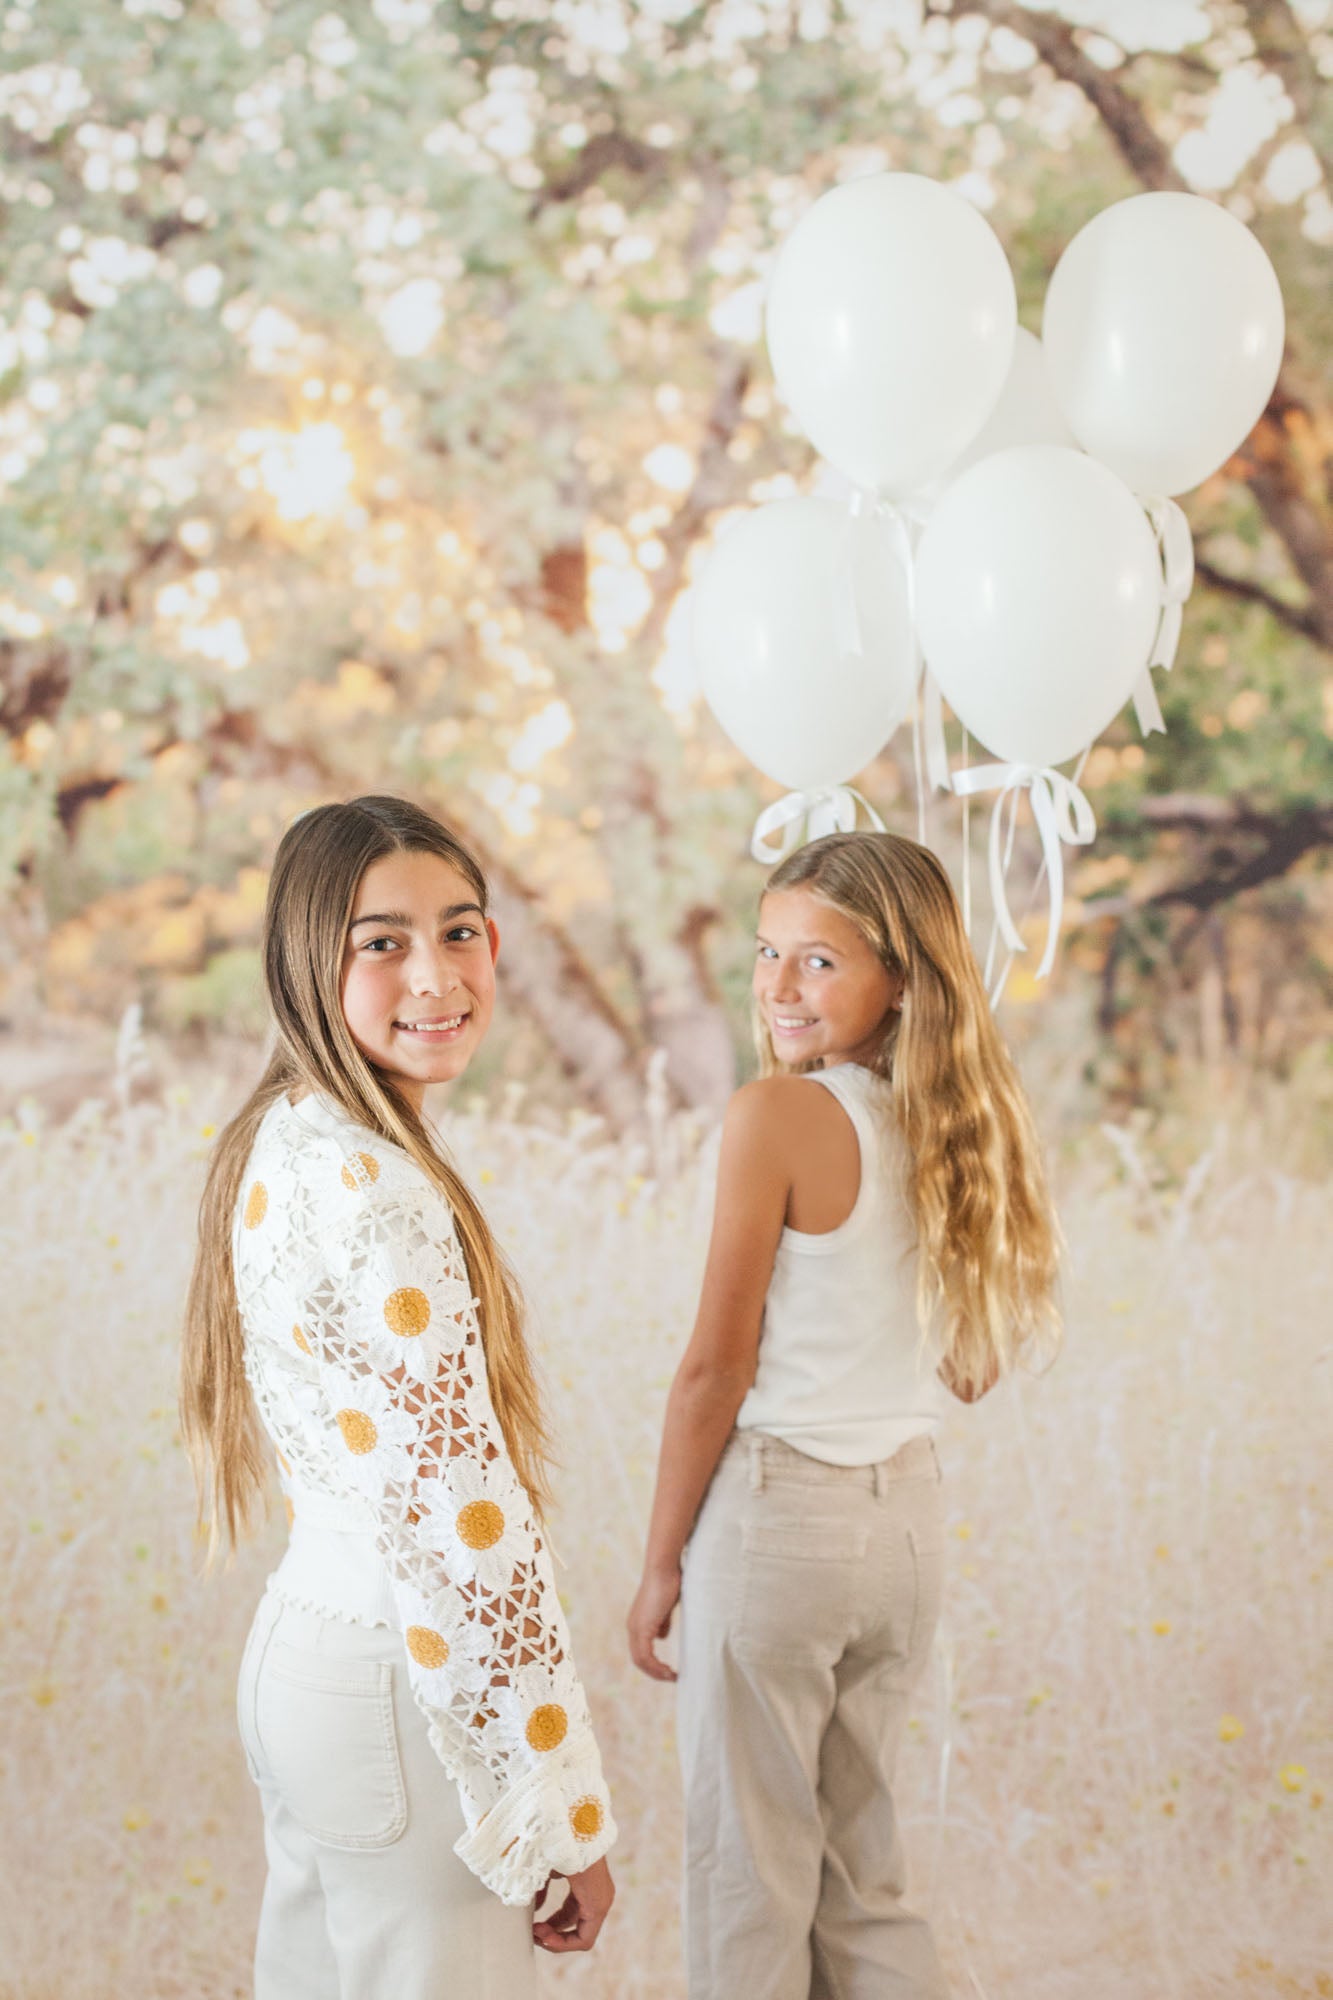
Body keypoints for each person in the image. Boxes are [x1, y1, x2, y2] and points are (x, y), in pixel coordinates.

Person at [181, 795, 615, 2000]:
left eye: (461, 929)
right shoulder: (378, 1188)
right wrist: (558, 1805)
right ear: (306, 959)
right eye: (382, 941)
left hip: (307, 1658)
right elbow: (462, 1522)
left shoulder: (283, 1135)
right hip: (400, 1686)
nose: (437, 972)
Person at [628, 830, 1060, 2000]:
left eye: (817, 961)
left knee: (747, 1874)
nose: (775, 986)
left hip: (779, 1526)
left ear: (900, 974)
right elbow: (969, 1371)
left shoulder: (776, 1114)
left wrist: (661, 1560)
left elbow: (712, 1369)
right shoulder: (964, 1124)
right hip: (905, 1532)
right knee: (862, 1870)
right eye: (768, 952)